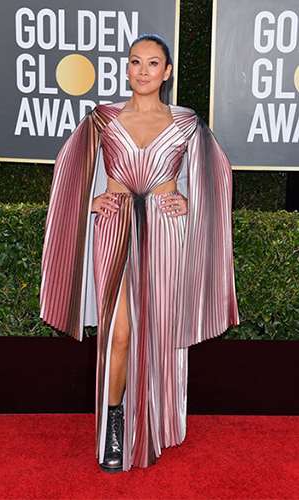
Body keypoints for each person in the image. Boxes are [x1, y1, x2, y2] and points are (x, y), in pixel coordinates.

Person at [40, 33, 240, 473]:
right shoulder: (103, 119)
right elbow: (69, 169)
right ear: (126, 68)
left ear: (167, 72)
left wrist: (191, 200)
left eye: (153, 63)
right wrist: (86, 202)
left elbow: (217, 174)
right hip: (114, 230)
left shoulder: (187, 123)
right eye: (135, 62)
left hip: (167, 231)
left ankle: (155, 419)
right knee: (120, 333)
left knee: (160, 332)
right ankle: (115, 424)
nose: (143, 71)